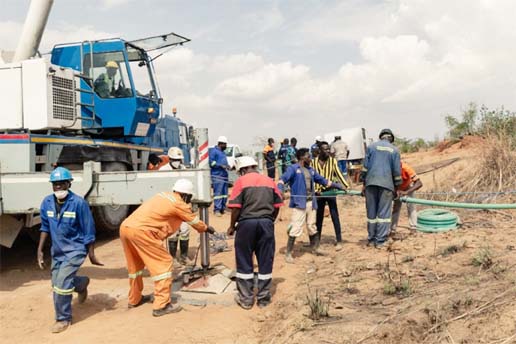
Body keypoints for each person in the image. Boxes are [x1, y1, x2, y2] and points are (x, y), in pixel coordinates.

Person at [119, 179, 216, 317]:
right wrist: (206, 228)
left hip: (126, 228)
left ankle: (134, 299)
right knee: (164, 265)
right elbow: (194, 221)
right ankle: (161, 305)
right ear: (186, 195)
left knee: (135, 267)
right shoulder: (179, 204)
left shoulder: (163, 195)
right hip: (143, 232)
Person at [37, 167, 103, 333]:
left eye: (61, 184)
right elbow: (45, 227)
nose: (58, 187)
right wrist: (40, 250)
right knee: (57, 282)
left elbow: (89, 230)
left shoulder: (79, 203)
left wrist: (92, 254)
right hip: (58, 251)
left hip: (75, 250)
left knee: (60, 284)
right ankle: (81, 284)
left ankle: (63, 318)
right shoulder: (47, 203)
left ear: (69, 183)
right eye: (55, 184)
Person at [227, 156, 283, 309]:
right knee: (265, 259)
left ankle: (246, 299)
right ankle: (263, 299)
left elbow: (236, 207)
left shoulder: (241, 182)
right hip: (266, 224)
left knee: (244, 259)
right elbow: (278, 204)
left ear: (243, 169)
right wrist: (270, 220)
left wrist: (232, 226)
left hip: (246, 224)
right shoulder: (269, 181)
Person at [278, 148, 344, 263]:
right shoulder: (293, 169)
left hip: (311, 202)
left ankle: (316, 248)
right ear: (302, 158)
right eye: (308, 156)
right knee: (296, 227)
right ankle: (288, 253)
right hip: (300, 204)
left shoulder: (311, 170)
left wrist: (336, 185)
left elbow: (322, 180)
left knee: (312, 226)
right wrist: (280, 190)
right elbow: (282, 180)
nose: (311, 158)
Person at [360, 129, 402, 248]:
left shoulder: (371, 147)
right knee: (383, 214)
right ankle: (380, 241)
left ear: (381, 137)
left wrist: (364, 184)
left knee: (371, 214)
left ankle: (371, 239)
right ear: (391, 139)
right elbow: (396, 171)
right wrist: (397, 187)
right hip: (386, 185)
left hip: (370, 184)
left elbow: (365, 168)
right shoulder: (394, 150)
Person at [313, 142, 350, 251]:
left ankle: (339, 240)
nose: (328, 151)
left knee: (334, 215)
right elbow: (312, 177)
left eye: (328, 149)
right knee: (318, 217)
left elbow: (338, 174)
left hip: (330, 191)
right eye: (325, 149)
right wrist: (315, 190)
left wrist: (345, 186)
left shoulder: (332, 161)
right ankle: (317, 241)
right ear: (320, 151)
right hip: (318, 193)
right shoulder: (313, 162)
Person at [159, 147, 192, 265]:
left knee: (185, 230)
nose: (177, 161)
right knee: (173, 232)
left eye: (179, 159)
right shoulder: (163, 170)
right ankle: (172, 258)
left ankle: (184, 256)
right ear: (169, 159)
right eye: (174, 159)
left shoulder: (184, 169)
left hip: (182, 205)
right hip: (170, 205)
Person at [391, 161, 423, 231]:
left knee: (411, 206)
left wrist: (406, 192)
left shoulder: (406, 168)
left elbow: (419, 183)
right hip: (397, 188)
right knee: (396, 208)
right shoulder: (390, 168)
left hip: (408, 187)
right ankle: (392, 228)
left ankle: (413, 227)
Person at [209, 136, 230, 216]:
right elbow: (211, 163)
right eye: (225, 144)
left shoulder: (222, 152)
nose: (226, 146)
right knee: (218, 193)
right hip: (217, 175)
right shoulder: (214, 151)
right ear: (220, 144)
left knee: (224, 194)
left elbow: (224, 163)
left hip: (224, 175)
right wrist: (220, 166)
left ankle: (222, 208)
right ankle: (217, 210)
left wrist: (227, 166)